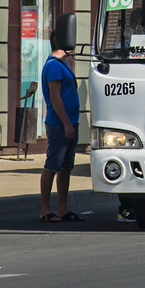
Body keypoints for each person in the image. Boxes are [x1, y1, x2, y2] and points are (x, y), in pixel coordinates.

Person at [39, 30, 83, 222]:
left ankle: (62, 208)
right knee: (52, 166)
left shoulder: (62, 64)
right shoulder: (54, 66)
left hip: (69, 124)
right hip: (60, 125)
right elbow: (55, 97)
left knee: (66, 167)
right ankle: (45, 210)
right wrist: (66, 124)